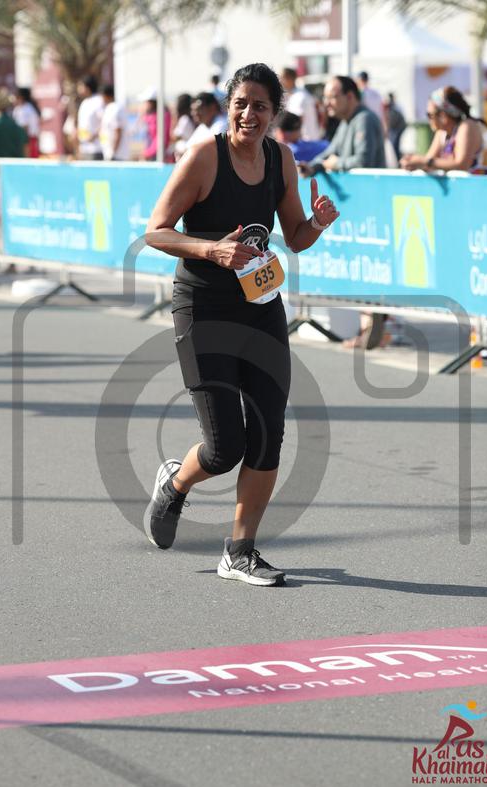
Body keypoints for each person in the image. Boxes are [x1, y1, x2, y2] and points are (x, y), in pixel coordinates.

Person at [144, 62, 339, 586]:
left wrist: (317, 223)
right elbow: (156, 232)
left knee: (268, 432)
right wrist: (212, 249)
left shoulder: (280, 159)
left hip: (259, 305)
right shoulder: (203, 157)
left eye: (260, 106)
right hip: (203, 308)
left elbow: (295, 237)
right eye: (240, 104)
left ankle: (240, 550)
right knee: (224, 447)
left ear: (275, 114)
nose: (249, 114)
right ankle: (175, 484)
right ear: (228, 106)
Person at [298, 76, 386, 176]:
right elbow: (329, 154)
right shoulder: (345, 121)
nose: (326, 103)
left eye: (332, 97)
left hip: (368, 185)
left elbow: (363, 161)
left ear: (349, 96)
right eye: (325, 97)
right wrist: (311, 167)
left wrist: (336, 164)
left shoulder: (365, 119)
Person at [400, 86, 487, 173]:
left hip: (477, 181)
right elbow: (429, 163)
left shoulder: (467, 126)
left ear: (443, 116)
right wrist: (413, 163)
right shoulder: (442, 132)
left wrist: (423, 161)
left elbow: (461, 165)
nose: (428, 119)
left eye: (430, 115)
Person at [280, 67, 320, 141]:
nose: (280, 81)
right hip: (305, 140)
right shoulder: (296, 95)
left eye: (282, 78)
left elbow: (295, 121)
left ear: (290, 79)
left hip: (306, 141)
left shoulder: (299, 97)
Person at [76, 76, 104, 160]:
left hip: (96, 149)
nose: (79, 89)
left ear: (87, 87)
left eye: (81, 86)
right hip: (84, 148)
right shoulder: (84, 103)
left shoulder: (98, 101)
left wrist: (94, 136)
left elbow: (104, 122)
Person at [99, 84, 129, 161]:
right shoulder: (109, 108)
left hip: (116, 156)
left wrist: (112, 153)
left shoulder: (115, 109)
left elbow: (118, 131)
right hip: (109, 153)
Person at [140, 90, 172, 161]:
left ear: (152, 102)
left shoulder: (162, 116)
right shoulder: (149, 116)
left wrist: (148, 153)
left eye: (146, 101)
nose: (144, 104)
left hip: (157, 154)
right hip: (151, 153)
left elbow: (160, 138)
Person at [13, 87, 41, 158]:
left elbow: (24, 128)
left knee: (30, 160)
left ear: (21, 97)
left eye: (16, 97)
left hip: (28, 140)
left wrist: (22, 143)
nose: (14, 99)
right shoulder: (22, 108)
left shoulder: (25, 109)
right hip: (30, 139)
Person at [170, 93, 195, 161]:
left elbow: (174, 137)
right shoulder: (188, 119)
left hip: (185, 153)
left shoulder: (184, 119)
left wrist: (174, 119)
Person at [384, 92, 406, 160]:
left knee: (394, 144)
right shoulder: (392, 106)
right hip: (394, 127)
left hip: (397, 128)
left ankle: (397, 160)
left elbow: (392, 119)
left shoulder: (395, 106)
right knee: (394, 145)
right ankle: (397, 160)